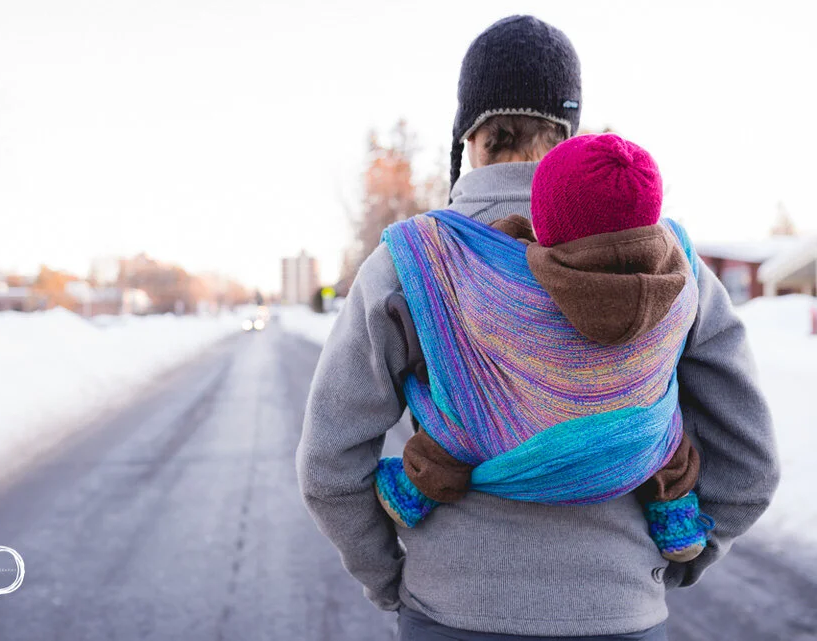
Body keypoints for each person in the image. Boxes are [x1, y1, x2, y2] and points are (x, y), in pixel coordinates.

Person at [297, 15, 779, 641]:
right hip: (622, 614)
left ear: (468, 136)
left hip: (449, 612)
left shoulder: (411, 262)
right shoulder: (666, 264)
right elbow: (753, 462)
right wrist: (668, 565)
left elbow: (327, 466)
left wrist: (392, 578)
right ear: (570, 130)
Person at [373, 132, 713, 565]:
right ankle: (675, 517)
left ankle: (412, 489)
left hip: (464, 575)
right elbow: (749, 448)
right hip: (637, 452)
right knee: (668, 440)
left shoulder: (499, 285)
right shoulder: (683, 285)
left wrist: (385, 579)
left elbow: (324, 461)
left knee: (459, 421)